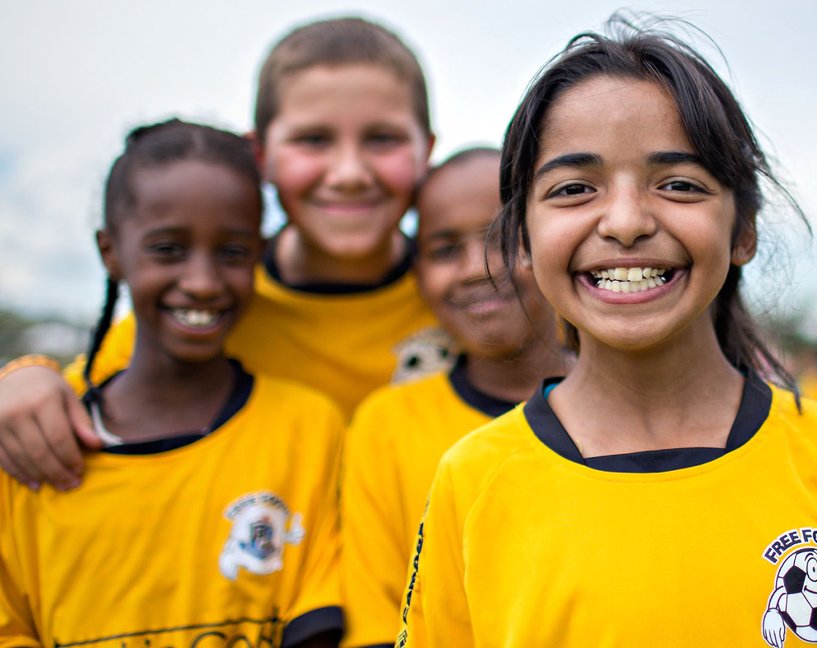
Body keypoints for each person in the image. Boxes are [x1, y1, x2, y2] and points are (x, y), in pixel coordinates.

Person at [399, 17, 817, 647]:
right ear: (521, 237)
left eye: (679, 185)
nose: (626, 222)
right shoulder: (473, 481)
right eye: (574, 188)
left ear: (743, 229)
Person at [0, 17, 441, 491]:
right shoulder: (214, 299)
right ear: (261, 155)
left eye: (382, 139)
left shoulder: (466, 300)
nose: (350, 172)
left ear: (427, 150)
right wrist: (24, 376)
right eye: (313, 140)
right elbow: (87, 387)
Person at [0, 120, 343, 647]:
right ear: (110, 252)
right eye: (168, 250)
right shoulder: (30, 445)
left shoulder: (307, 430)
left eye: (232, 252)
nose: (203, 282)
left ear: (259, 251)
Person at [341, 147, 569, 648]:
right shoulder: (387, 427)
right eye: (445, 250)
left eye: (503, 238)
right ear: (417, 274)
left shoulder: (627, 408)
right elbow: (377, 621)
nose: (475, 269)